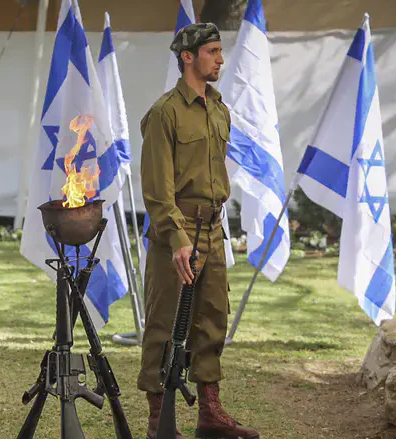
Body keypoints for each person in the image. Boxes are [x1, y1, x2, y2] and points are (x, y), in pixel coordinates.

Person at [137, 23, 259, 439]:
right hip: (179, 228)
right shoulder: (164, 112)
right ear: (188, 57)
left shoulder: (219, 108)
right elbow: (156, 189)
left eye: (220, 51)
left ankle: (210, 414)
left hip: (213, 228)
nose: (220, 59)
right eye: (212, 51)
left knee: (212, 319)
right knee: (165, 321)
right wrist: (177, 238)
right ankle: (159, 418)